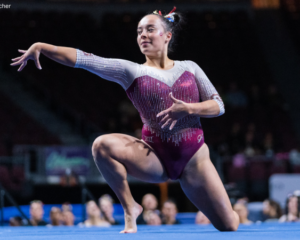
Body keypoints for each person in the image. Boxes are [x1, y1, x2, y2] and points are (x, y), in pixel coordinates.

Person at [11, 7, 239, 233]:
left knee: (229, 225)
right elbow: (85, 59)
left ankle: (234, 210)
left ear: (167, 35)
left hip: (194, 160)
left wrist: (189, 108)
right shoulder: (131, 71)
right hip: (155, 158)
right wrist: (42, 47)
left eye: (150, 29)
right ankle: (130, 206)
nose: (143, 35)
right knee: (101, 145)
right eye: (139, 31)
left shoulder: (190, 67)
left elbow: (218, 105)